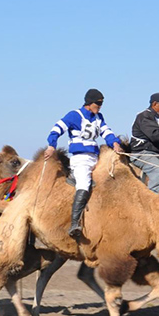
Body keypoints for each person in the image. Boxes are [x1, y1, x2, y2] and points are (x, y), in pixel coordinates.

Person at [46, 89, 123, 238]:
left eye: (102, 104)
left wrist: (115, 143)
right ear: (89, 103)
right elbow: (56, 129)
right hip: (80, 159)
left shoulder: (98, 117)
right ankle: (74, 224)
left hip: (95, 158)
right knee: (83, 184)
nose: (100, 106)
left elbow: (106, 132)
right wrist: (51, 145)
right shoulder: (74, 115)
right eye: (98, 103)